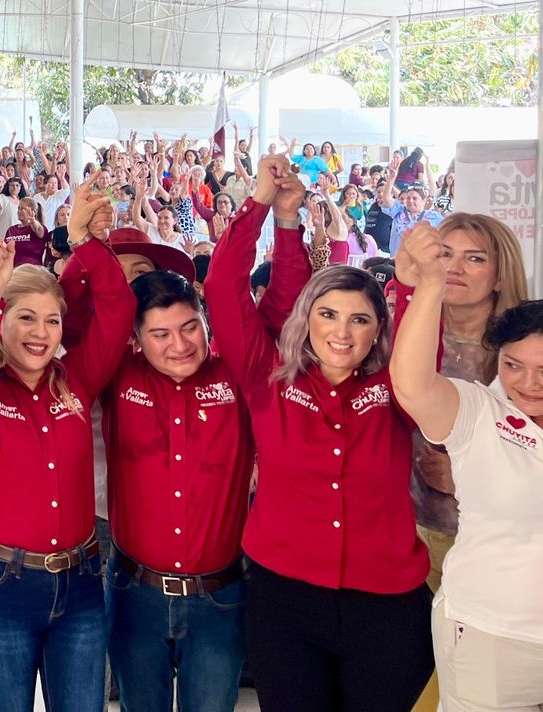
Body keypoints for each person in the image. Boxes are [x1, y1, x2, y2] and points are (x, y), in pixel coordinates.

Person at [203, 155, 433, 712]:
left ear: (380, 328)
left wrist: (412, 282)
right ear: (307, 318)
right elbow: (222, 285)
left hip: (387, 603)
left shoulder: (398, 390)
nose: (342, 331)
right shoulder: (269, 377)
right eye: (327, 314)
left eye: (360, 319)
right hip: (286, 599)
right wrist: (265, 208)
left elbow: (421, 339)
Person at [0, 179, 136, 712]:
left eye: (52, 320)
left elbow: (117, 313)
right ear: (1, 321)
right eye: (24, 317)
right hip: (0, 584)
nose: (40, 332)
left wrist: (84, 244)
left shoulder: (78, 378)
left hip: (80, 584)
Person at [60, 254, 253, 712]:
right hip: (135, 593)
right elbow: (68, 324)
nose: (180, 345)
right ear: (136, 339)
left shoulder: (238, 375)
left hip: (220, 596)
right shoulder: (118, 375)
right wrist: (87, 246)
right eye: (160, 334)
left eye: (190, 327)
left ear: (206, 321)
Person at [389, 222, 543, 712]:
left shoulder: (518, 341)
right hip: (447, 570)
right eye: (513, 366)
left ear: (501, 273)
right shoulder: (479, 405)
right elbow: (410, 386)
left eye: (474, 258)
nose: (527, 382)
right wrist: (421, 287)